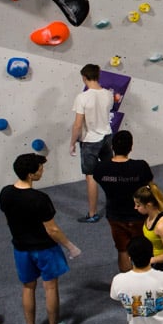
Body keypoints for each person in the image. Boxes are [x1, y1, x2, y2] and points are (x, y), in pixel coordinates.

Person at [0, 153, 81, 324]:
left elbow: (7, 218)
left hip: (20, 248)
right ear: (30, 174)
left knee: (28, 287)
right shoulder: (40, 198)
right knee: (50, 287)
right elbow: (52, 229)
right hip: (45, 249)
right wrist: (70, 246)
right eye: (39, 169)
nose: (42, 171)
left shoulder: (5, 193)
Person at [93, 129, 153, 272]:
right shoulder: (140, 166)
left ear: (112, 147)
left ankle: (128, 283)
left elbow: (97, 179)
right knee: (143, 248)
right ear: (131, 147)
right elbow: (150, 187)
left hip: (115, 215)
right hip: (139, 215)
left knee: (122, 250)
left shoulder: (101, 168)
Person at [70, 63, 115, 223]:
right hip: (107, 136)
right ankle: (115, 205)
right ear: (98, 76)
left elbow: (77, 124)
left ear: (84, 77)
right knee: (110, 172)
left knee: (91, 177)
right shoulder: (108, 95)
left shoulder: (82, 97)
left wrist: (72, 143)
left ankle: (92, 213)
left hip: (90, 140)